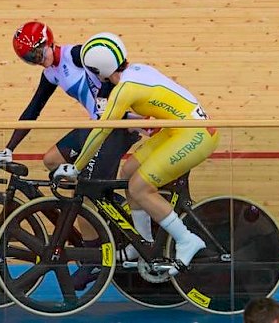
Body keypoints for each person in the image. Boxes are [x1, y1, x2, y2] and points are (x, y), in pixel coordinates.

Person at [54, 32, 219, 276]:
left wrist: (76, 166)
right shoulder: (137, 70)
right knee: (128, 171)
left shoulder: (125, 90)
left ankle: (187, 240)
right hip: (180, 129)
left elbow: (100, 131)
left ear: (99, 69)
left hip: (195, 135)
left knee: (140, 187)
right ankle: (141, 242)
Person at [0, 21, 141, 289]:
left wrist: (112, 101)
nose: (38, 61)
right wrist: (9, 148)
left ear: (49, 41)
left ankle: (92, 257)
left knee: (80, 192)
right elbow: (32, 111)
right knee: (51, 161)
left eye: (38, 54)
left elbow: (118, 64)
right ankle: (105, 199)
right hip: (97, 126)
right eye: (30, 60)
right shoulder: (51, 74)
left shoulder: (77, 55)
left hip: (114, 127)